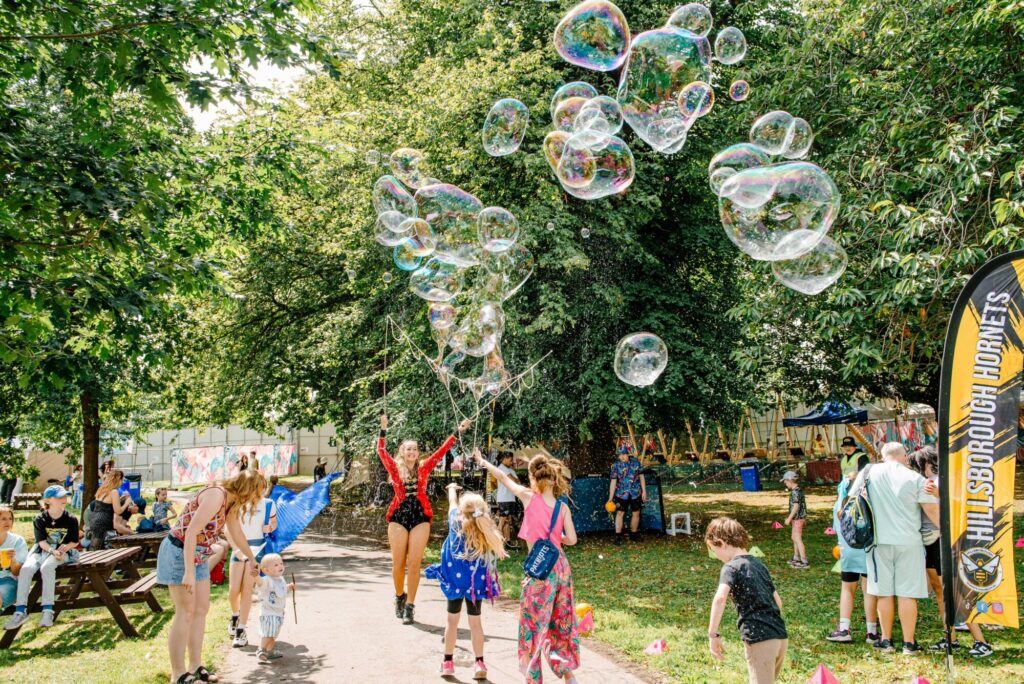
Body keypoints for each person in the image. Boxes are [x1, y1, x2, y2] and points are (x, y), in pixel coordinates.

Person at [475, 450, 579, 684]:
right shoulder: (563, 508)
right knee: (560, 620)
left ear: (533, 478)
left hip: (540, 570)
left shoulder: (528, 497)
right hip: (561, 567)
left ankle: (533, 678)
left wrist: (482, 462)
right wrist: (555, 536)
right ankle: (568, 674)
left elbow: (502, 477)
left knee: (533, 624)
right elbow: (571, 539)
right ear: (555, 479)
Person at [156, 469, 266, 684]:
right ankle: (178, 674)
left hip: (198, 554)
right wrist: (188, 571)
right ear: (248, 489)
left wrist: (252, 558)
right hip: (180, 552)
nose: (257, 499)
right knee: (185, 611)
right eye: (257, 493)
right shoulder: (216, 495)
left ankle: (195, 666)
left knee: (201, 609)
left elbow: (236, 533)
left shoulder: (231, 503)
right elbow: (190, 532)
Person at [376, 414, 471, 625]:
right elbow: (381, 451)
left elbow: (442, 450)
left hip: (420, 515)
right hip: (398, 516)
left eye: (415, 449)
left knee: (414, 562)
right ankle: (399, 596)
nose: (412, 452)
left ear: (418, 453)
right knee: (398, 563)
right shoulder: (394, 468)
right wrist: (383, 429)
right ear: (402, 452)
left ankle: (410, 606)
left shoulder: (425, 467)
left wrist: (459, 430)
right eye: (408, 449)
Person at [849, 441, 938, 654]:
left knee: (884, 593)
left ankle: (886, 640)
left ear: (883, 455)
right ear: (904, 456)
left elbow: (851, 500)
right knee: (908, 594)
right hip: (910, 542)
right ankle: (909, 643)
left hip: (877, 541)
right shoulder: (915, 478)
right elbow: (932, 512)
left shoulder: (868, 472)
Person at [909, 447, 994, 658]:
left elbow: (960, 506)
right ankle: (950, 637)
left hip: (943, 541)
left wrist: (941, 496)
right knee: (940, 592)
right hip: (930, 542)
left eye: (917, 465)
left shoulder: (940, 482)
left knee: (955, 591)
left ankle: (980, 640)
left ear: (927, 464)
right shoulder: (926, 483)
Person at [426, 484, 507, 679]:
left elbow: (452, 501)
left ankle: (447, 662)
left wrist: (452, 487)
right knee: (475, 624)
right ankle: (479, 663)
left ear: (462, 510)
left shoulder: (455, 520)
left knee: (451, 622)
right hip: (474, 585)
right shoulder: (483, 526)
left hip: (455, 582)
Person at [706, 517, 788, 684]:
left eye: (713, 550)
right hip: (780, 637)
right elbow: (778, 602)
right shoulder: (758, 564)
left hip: (760, 639)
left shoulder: (730, 567)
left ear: (721, 543)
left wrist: (713, 634)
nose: (716, 555)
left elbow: (720, 598)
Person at [4, 485, 80, 630]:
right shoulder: (40, 518)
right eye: (59, 497)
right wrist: (52, 550)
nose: (64, 499)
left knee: (47, 567)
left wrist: (65, 548)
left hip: (63, 553)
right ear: (48, 500)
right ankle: (20, 611)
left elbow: (75, 541)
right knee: (26, 569)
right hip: (43, 550)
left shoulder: (70, 519)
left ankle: (48, 610)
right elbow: (41, 542)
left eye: (65, 496)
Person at [826, 467, 879, 643]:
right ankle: (872, 631)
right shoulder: (868, 502)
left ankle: (844, 629)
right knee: (869, 590)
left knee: (847, 588)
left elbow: (836, 529)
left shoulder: (840, 506)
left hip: (848, 550)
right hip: (867, 549)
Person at [228, 479, 278, 648]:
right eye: (256, 487)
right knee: (233, 590)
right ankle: (235, 615)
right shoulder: (237, 503)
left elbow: (274, 523)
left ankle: (241, 630)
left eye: (262, 488)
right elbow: (228, 529)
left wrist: (269, 527)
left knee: (247, 589)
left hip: (258, 547)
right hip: (239, 547)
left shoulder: (269, 504)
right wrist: (236, 549)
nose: (259, 491)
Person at [254, 553, 294, 663]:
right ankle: (261, 650)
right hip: (268, 612)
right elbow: (260, 583)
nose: (280, 566)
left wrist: (288, 588)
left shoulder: (280, 579)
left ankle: (269, 651)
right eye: (276, 565)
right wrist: (255, 576)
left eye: (281, 563)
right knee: (268, 632)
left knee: (274, 633)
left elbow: (281, 591)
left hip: (279, 613)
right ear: (266, 570)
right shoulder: (267, 579)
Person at [607, 445, 647, 544]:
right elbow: (613, 482)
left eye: (624, 454)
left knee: (636, 513)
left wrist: (644, 491)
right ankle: (618, 537)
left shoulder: (636, 463)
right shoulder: (615, 466)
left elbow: (641, 477)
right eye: (620, 455)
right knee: (620, 513)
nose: (622, 457)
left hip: (635, 492)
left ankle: (633, 535)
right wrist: (610, 498)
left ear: (627, 454)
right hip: (621, 493)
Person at [89, 469, 132, 548]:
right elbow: (118, 511)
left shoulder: (101, 489)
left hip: (94, 519)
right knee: (104, 549)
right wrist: (127, 502)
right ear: (118, 479)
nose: (122, 482)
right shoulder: (114, 492)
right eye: (122, 480)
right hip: (104, 523)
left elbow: (105, 503)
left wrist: (121, 498)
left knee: (95, 546)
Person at [0, 505, 29, 610]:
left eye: (10, 518)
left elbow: (17, 572)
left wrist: (12, 559)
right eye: (3, 519)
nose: (8, 522)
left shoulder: (17, 541)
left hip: (9, 581)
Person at [781, 471, 807, 568]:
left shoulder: (795, 492)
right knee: (794, 537)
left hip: (797, 519)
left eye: (785, 482)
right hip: (798, 518)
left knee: (798, 539)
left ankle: (804, 561)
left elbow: (796, 506)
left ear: (790, 480)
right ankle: (796, 557)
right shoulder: (798, 490)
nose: (785, 484)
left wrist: (789, 518)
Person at [494, 451, 521, 545]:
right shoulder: (501, 468)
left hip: (510, 498)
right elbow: (513, 480)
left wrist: (515, 479)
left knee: (507, 521)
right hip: (504, 498)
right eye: (510, 460)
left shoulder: (510, 470)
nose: (511, 462)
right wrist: (514, 479)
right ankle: (494, 541)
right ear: (504, 459)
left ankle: (507, 541)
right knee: (502, 521)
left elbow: (518, 481)